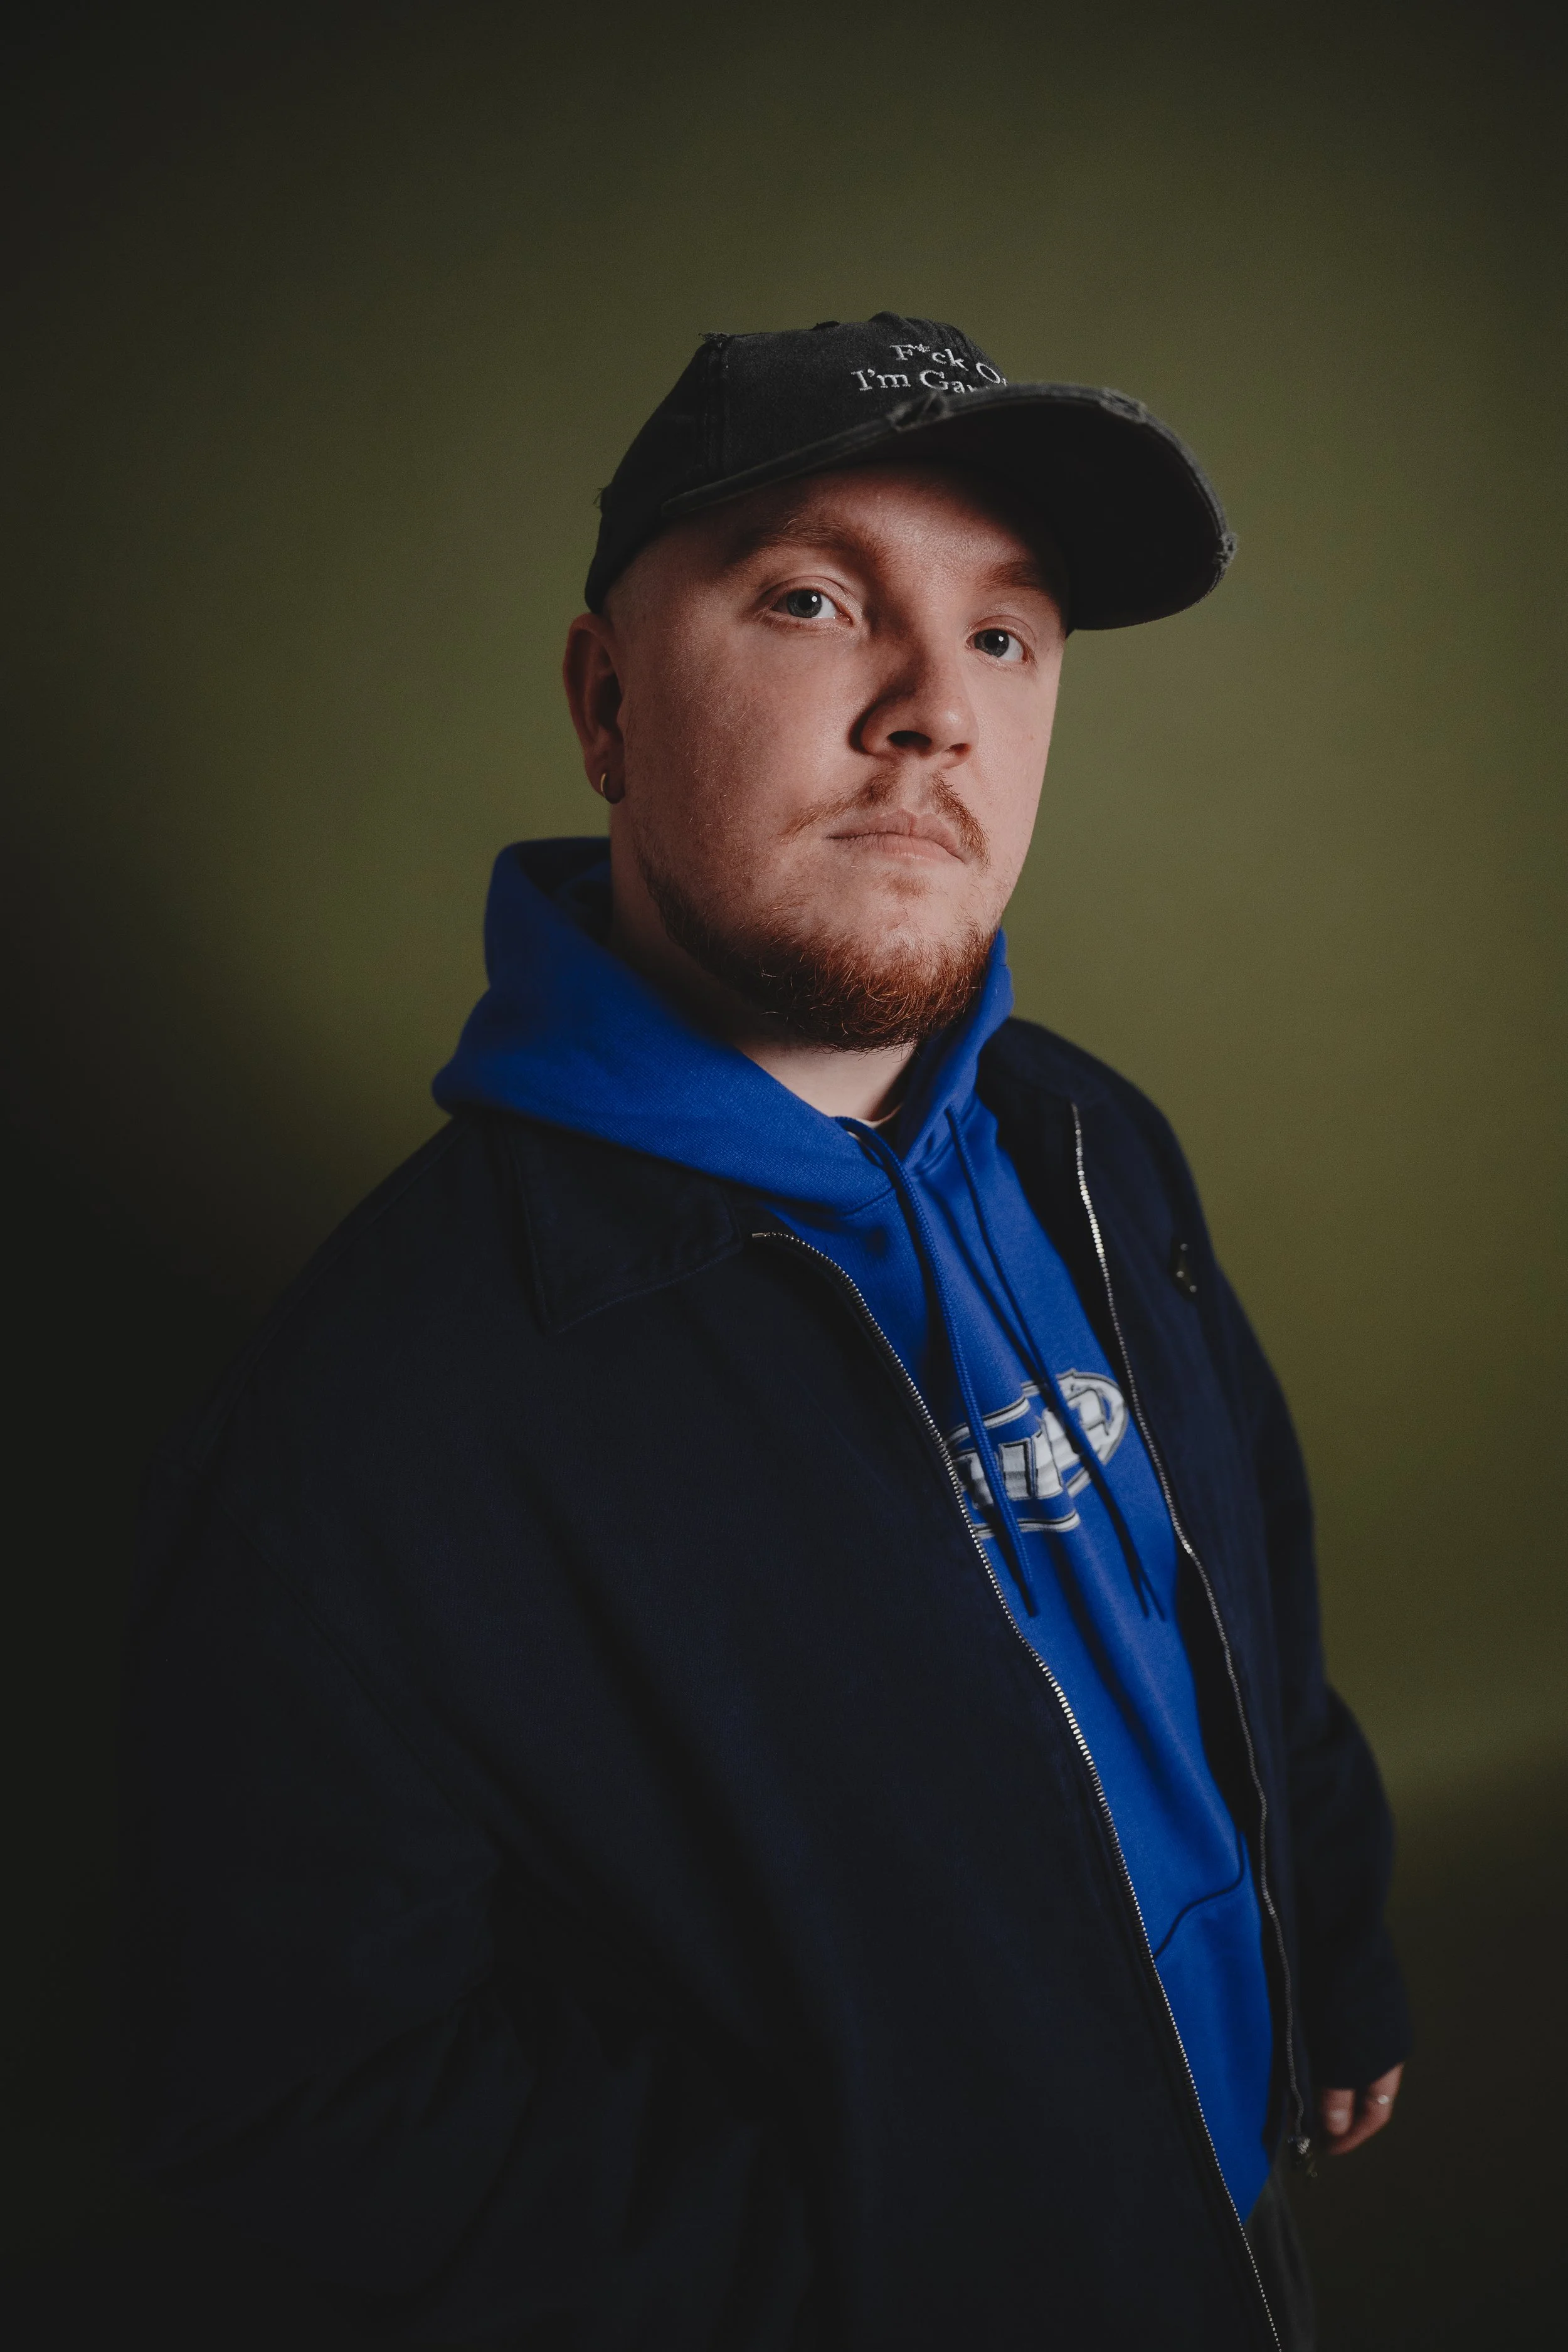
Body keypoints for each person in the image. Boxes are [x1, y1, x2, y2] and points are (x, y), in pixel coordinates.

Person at [124, 314, 1409, 2351]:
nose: (936, 712)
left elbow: (1241, 1586)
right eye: (814, 600)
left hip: (1236, 2198)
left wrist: (1329, 1938)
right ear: (605, 699)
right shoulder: (378, 1416)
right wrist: (885, 2268)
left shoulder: (1092, 1140)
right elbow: (310, 2105)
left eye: (1006, 633)